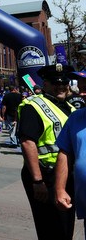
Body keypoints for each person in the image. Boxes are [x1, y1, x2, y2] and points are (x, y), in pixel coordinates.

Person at [18, 63, 76, 240]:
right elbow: (28, 143)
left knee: (65, 227)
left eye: (63, 83)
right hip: (45, 175)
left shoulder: (70, 107)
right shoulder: (33, 106)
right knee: (51, 229)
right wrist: (37, 181)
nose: (60, 86)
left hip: (66, 174)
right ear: (45, 84)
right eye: (54, 82)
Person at [55, 78, 86, 234]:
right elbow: (64, 153)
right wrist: (60, 189)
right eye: (80, 88)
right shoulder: (76, 117)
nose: (82, 93)